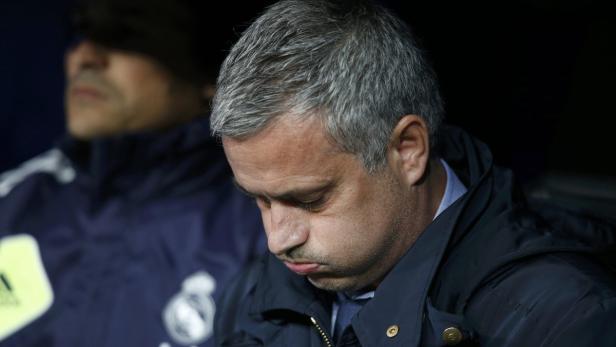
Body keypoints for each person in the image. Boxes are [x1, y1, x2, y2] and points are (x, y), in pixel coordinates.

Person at [209, 0, 616, 346]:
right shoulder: (248, 295)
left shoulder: (564, 321)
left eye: (311, 200)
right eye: (259, 199)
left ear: (408, 150)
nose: (278, 239)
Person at [0, 1, 268, 346]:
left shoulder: (267, 227)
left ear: (210, 76)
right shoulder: (12, 204)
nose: (86, 56)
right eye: (81, 32)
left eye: (125, 37)